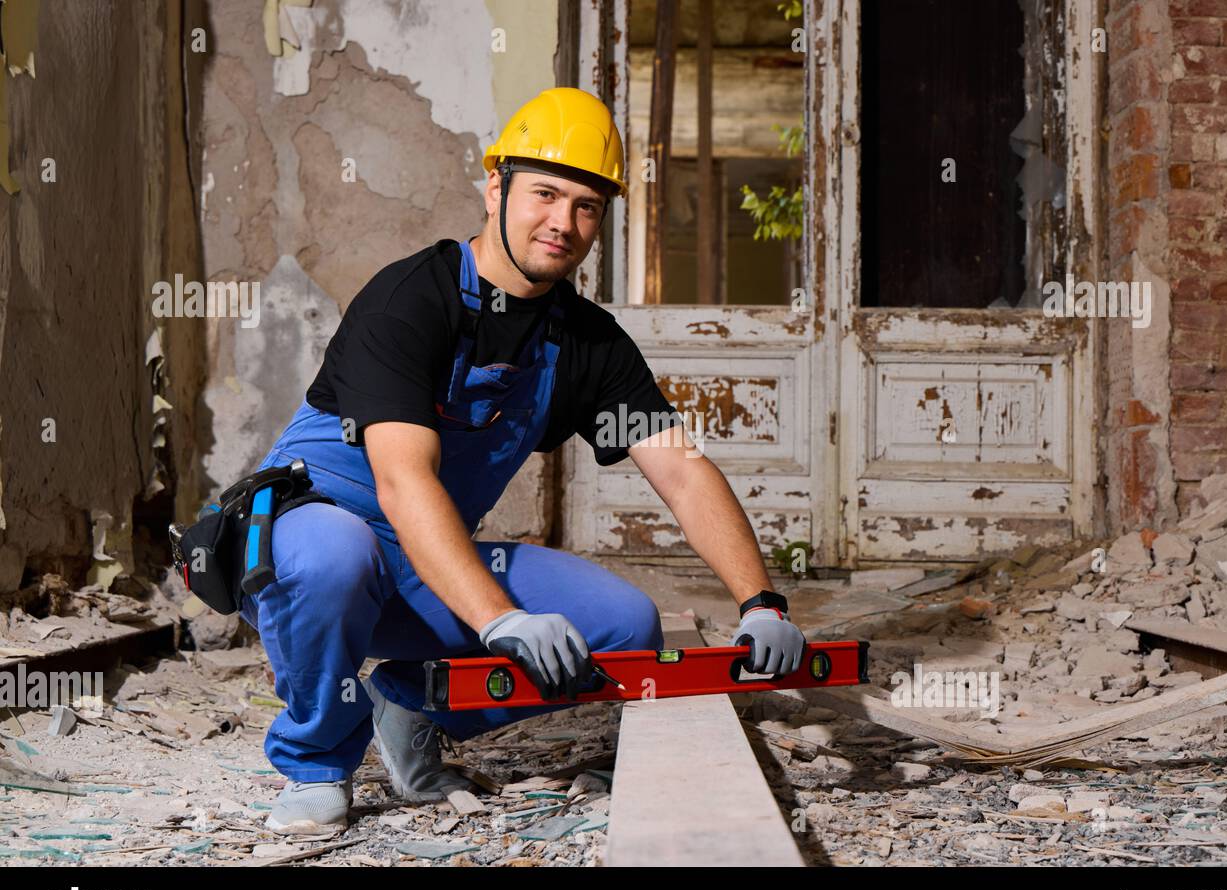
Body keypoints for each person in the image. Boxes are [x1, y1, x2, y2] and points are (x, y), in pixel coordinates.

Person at [239, 87, 809, 835]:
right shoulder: (411, 300)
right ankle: (315, 764)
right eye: (544, 193)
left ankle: (410, 701)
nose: (562, 224)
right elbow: (402, 479)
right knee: (335, 555)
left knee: (623, 627)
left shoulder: (587, 344)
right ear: (495, 187)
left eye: (586, 206)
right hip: (311, 541)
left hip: (427, 563)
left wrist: (760, 600)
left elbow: (679, 467)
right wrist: (502, 617)